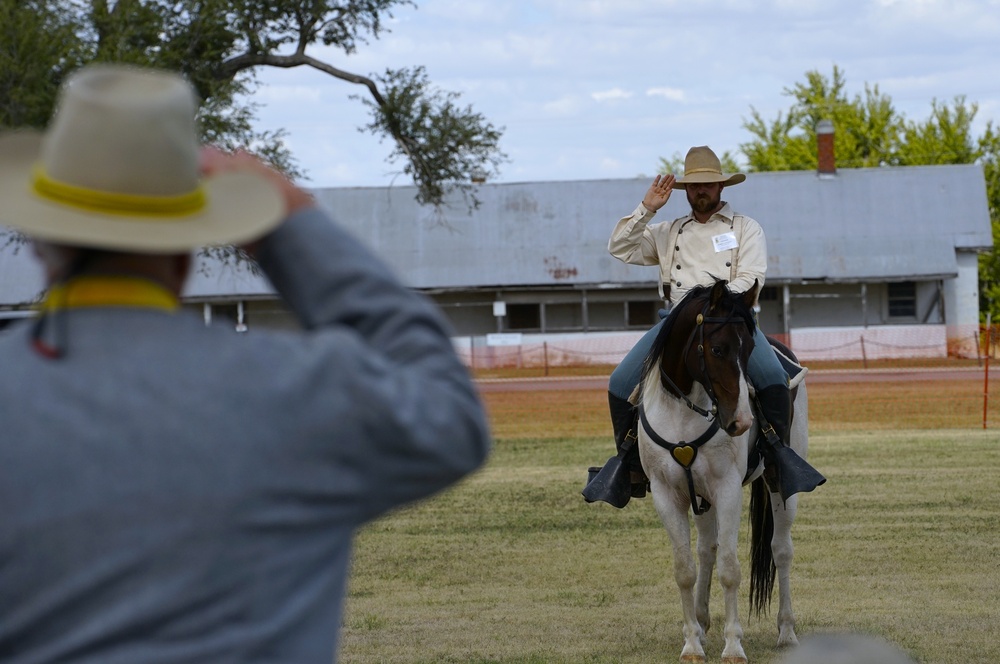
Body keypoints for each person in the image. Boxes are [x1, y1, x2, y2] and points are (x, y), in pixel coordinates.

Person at [0, 64, 490, 663]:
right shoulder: (298, 385)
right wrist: (293, 228)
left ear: (41, 241)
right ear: (186, 249)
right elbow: (447, 412)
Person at [582, 145, 823, 508]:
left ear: (722, 187)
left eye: (708, 184)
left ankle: (777, 459)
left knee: (774, 379)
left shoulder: (746, 228)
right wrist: (646, 209)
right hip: (675, 326)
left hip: (730, 323)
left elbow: (752, 276)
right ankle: (631, 465)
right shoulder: (668, 231)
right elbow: (620, 247)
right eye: (694, 186)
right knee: (619, 383)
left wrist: (714, 306)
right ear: (685, 191)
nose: (701, 191)